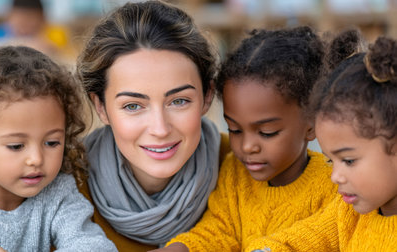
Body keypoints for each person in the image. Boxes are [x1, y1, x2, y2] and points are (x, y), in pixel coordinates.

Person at [157, 26, 338, 251]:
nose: (247, 146)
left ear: (311, 123)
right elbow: (219, 231)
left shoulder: (335, 184)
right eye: (234, 129)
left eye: (267, 132)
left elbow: (316, 237)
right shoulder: (235, 173)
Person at [76, 1, 230, 251]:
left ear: (207, 96)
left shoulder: (247, 167)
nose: (160, 129)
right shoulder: (60, 181)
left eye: (179, 101)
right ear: (101, 107)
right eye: (133, 106)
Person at [0, 46, 117, 252]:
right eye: (16, 146)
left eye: (52, 142)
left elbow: (93, 245)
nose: (36, 159)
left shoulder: (58, 193)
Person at [247, 30, 397, 251]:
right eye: (330, 161)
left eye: (348, 160)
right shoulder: (347, 213)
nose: (335, 177)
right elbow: (301, 238)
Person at [0, 0, 72, 58]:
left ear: (42, 18)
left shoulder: (55, 32)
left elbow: (65, 54)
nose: (25, 25)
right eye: (20, 20)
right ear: (9, 17)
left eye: (31, 19)